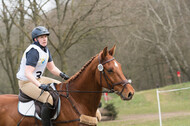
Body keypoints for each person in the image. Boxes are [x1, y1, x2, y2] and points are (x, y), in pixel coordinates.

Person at [16, 26, 69, 126]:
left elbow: (52, 68)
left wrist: (62, 75)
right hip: (26, 82)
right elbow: (28, 73)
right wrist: (40, 85)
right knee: (48, 98)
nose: (44, 39)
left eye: (45, 36)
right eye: (41, 37)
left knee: (62, 86)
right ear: (35, 39)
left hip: (38, 78)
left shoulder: (45, 50)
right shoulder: (34, 51)